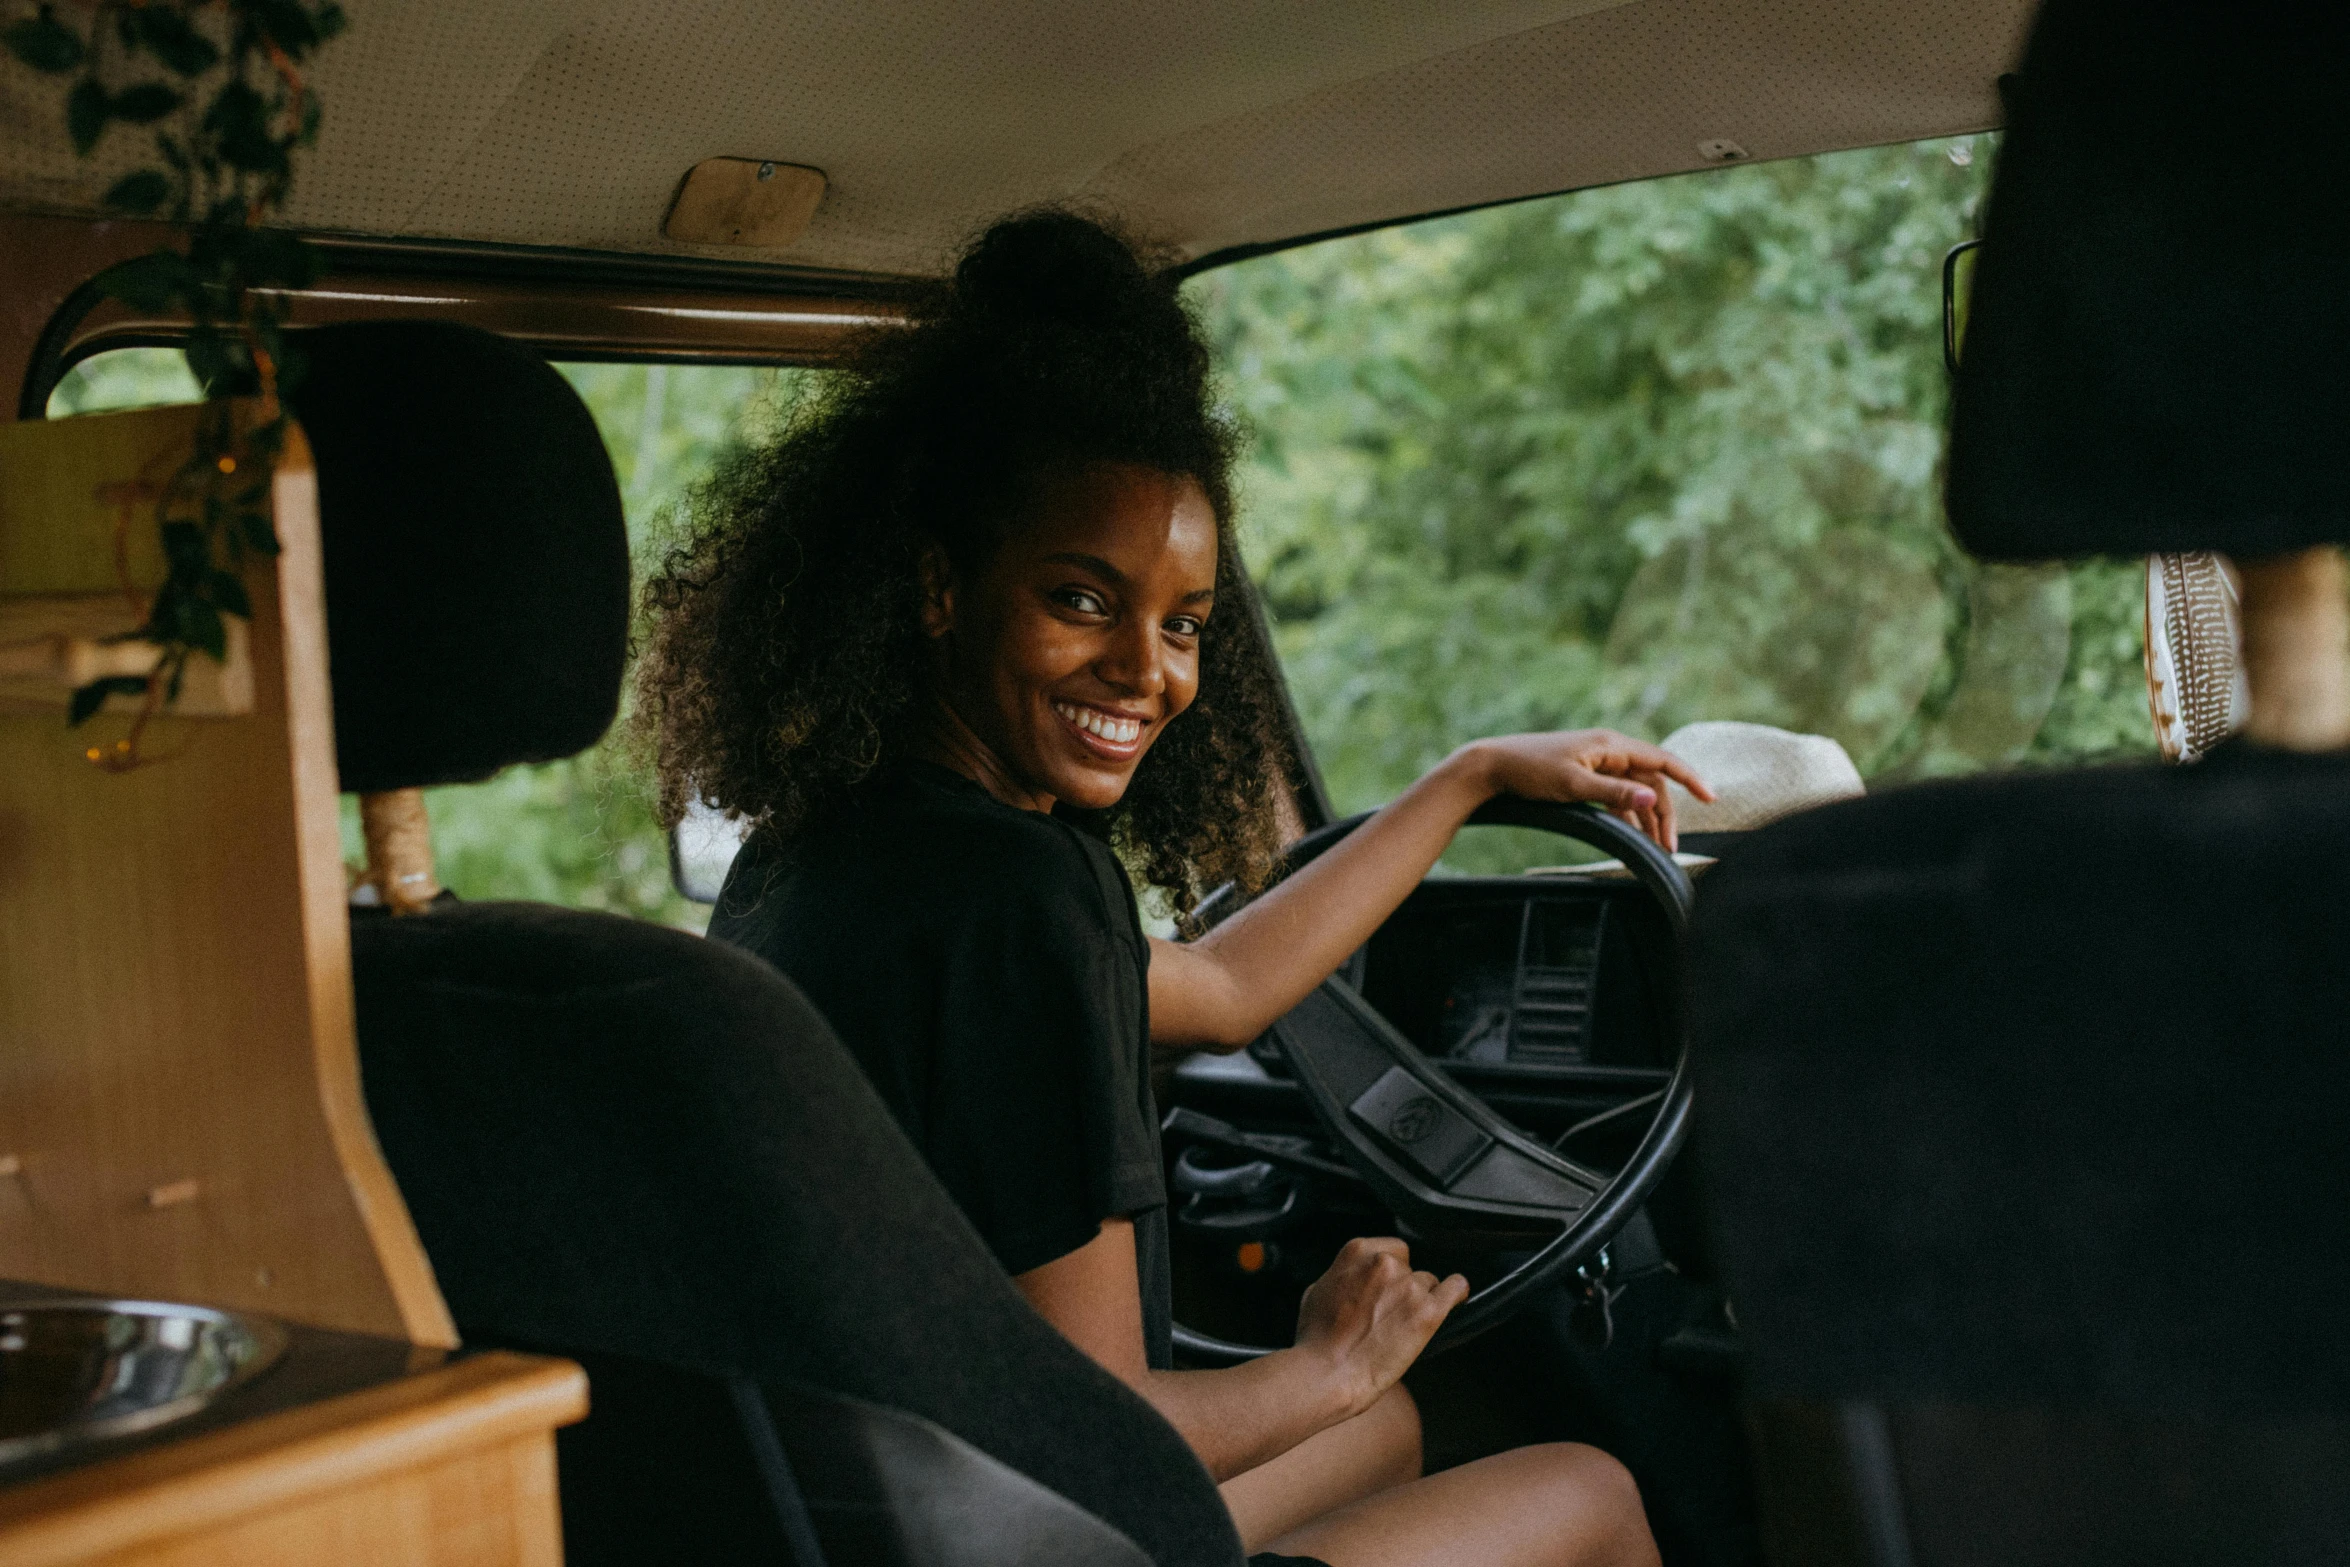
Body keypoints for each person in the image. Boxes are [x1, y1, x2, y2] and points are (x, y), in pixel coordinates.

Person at [636, 209, 1705, 1567]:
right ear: (939, 590)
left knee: (1397, 1431)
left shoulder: (841, 851)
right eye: (1081, 598)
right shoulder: (1021, 900)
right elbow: (1090, 1427)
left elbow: (1214, 990)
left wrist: (1470, 779)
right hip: (1026, 1527)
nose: (1148, 671)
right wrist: (1329, 1360)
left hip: (888, 1516)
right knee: (1588, 1486)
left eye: (1185, 623)